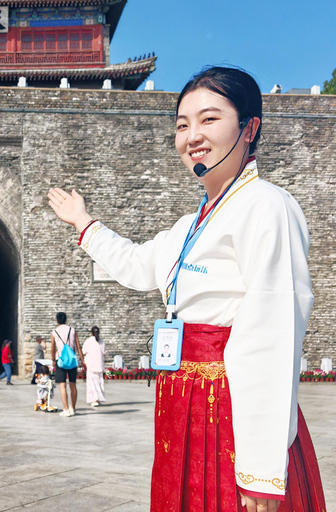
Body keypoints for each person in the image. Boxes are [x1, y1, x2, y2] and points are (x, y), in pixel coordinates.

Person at [48, 66, 325, 511]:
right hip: (184, 401)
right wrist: (84, 222)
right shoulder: (188, 226)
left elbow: (270, 334)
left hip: (227, 406)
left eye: (209, 119)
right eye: (182, 125)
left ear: (249, 128)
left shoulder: (266, 206)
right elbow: (137, 265)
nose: (192, 136)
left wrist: (260, 470)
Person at [51, 312, 85, 417]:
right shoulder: (72, 330)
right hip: (71, 360)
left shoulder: (54, 332)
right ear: (66, 319)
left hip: (60, 360)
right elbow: (78, 346)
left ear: (57, 320)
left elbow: (52, 348)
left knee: (62, 385)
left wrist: (53, 360)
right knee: (72, 384)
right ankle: (72, 408)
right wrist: (82, 360)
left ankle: (66, 409)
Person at [82, 326, 106, 407]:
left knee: (92, 383)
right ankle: (98, 398)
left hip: (91, 365)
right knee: (99, 382)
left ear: (91, 333)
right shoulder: (101, 341)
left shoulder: (88, 341)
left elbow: (84, 351)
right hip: (99, 365)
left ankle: (94, 399)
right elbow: (105, 352)